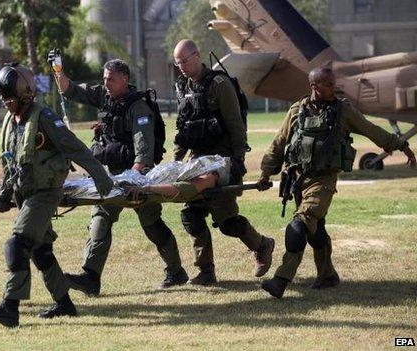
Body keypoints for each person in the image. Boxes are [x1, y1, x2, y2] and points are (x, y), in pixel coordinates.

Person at [259, 67, 416, 298]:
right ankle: (327, 275)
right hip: (298, 181)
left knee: (299, 225)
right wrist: (265, 172)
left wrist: (401, 144)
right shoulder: (296, 111)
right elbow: (278, 143)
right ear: (314, 87)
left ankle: (281, 279)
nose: (334, 88)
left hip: (324, 181)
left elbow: (371, 130)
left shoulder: (343, 111)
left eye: (334, 84)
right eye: (329, 85)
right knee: (315, 230)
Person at [0, 63, 113, 328]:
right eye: (2, 96)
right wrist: (5, 194)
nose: (5, 101)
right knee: (41, 251)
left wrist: (101, 178)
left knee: (17, 246)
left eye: (8, 95)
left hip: (45, 193)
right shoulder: (12, 120)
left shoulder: (45, 117)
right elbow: (12, 163)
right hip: (26, 194)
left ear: (25, 92)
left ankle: (10, 308)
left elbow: (76, 148)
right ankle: (64, 304)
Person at [50, 53, 188, 295]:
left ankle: (176, 272)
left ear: (124, 79)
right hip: (111, 177)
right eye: (104, 79)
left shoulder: (139, 107)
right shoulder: (105, 96)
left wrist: (132, 182)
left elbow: (143, 154)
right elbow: (68, 89)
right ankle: (90, 277)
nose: (106, 83)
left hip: (139, 177)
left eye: (111, 79)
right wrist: (58, 69)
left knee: (152, 224)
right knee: (101, 218)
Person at [171, 39, 275, 285]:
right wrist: (175, 160)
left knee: (227, 223)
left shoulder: (219, 84)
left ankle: (262, 245)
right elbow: (183, 128)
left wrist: (238, 160)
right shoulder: (183, 87)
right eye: (178, 63)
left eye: (185, 61)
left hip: (222, 163)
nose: (182, 67)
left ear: (197, 56)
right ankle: (206, 271)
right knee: (192, 216)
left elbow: (235, 125)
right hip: (196, 162)